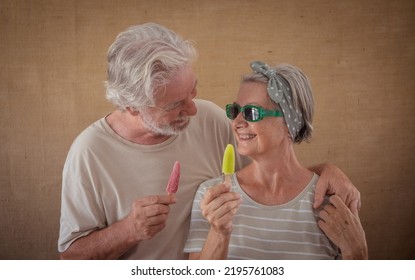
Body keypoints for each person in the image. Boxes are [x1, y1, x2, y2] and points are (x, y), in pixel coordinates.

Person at [58, 23, 361, 260]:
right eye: (175, 105)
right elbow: (70, 258)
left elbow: (269, 172)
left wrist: (326, 171)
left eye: (193, 91)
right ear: (133, 106)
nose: (193, 109)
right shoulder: (89, 153)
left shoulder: (208, 117)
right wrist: (128, 230)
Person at [184, 61, 368, 260]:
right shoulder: (211, 197)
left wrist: (357, 254)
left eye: (251, 113)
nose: (236, 122)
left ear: (290, 122)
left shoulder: (331, 202)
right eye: (235, 111)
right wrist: (219, 233)